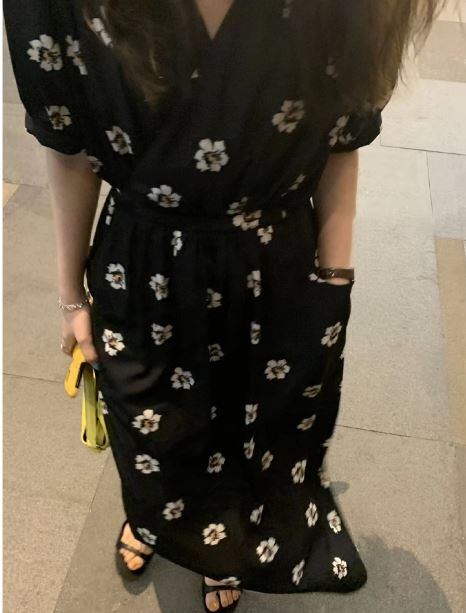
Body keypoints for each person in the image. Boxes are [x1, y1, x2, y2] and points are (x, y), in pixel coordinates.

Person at [4, 0, 450, 610]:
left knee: (251, 429)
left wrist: (333, 285)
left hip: (275, 262)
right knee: (148, 426)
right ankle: (154, 516)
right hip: (142, 263)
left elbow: (340, 143)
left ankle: (221, 545)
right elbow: (70, 149)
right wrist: (70, 296)